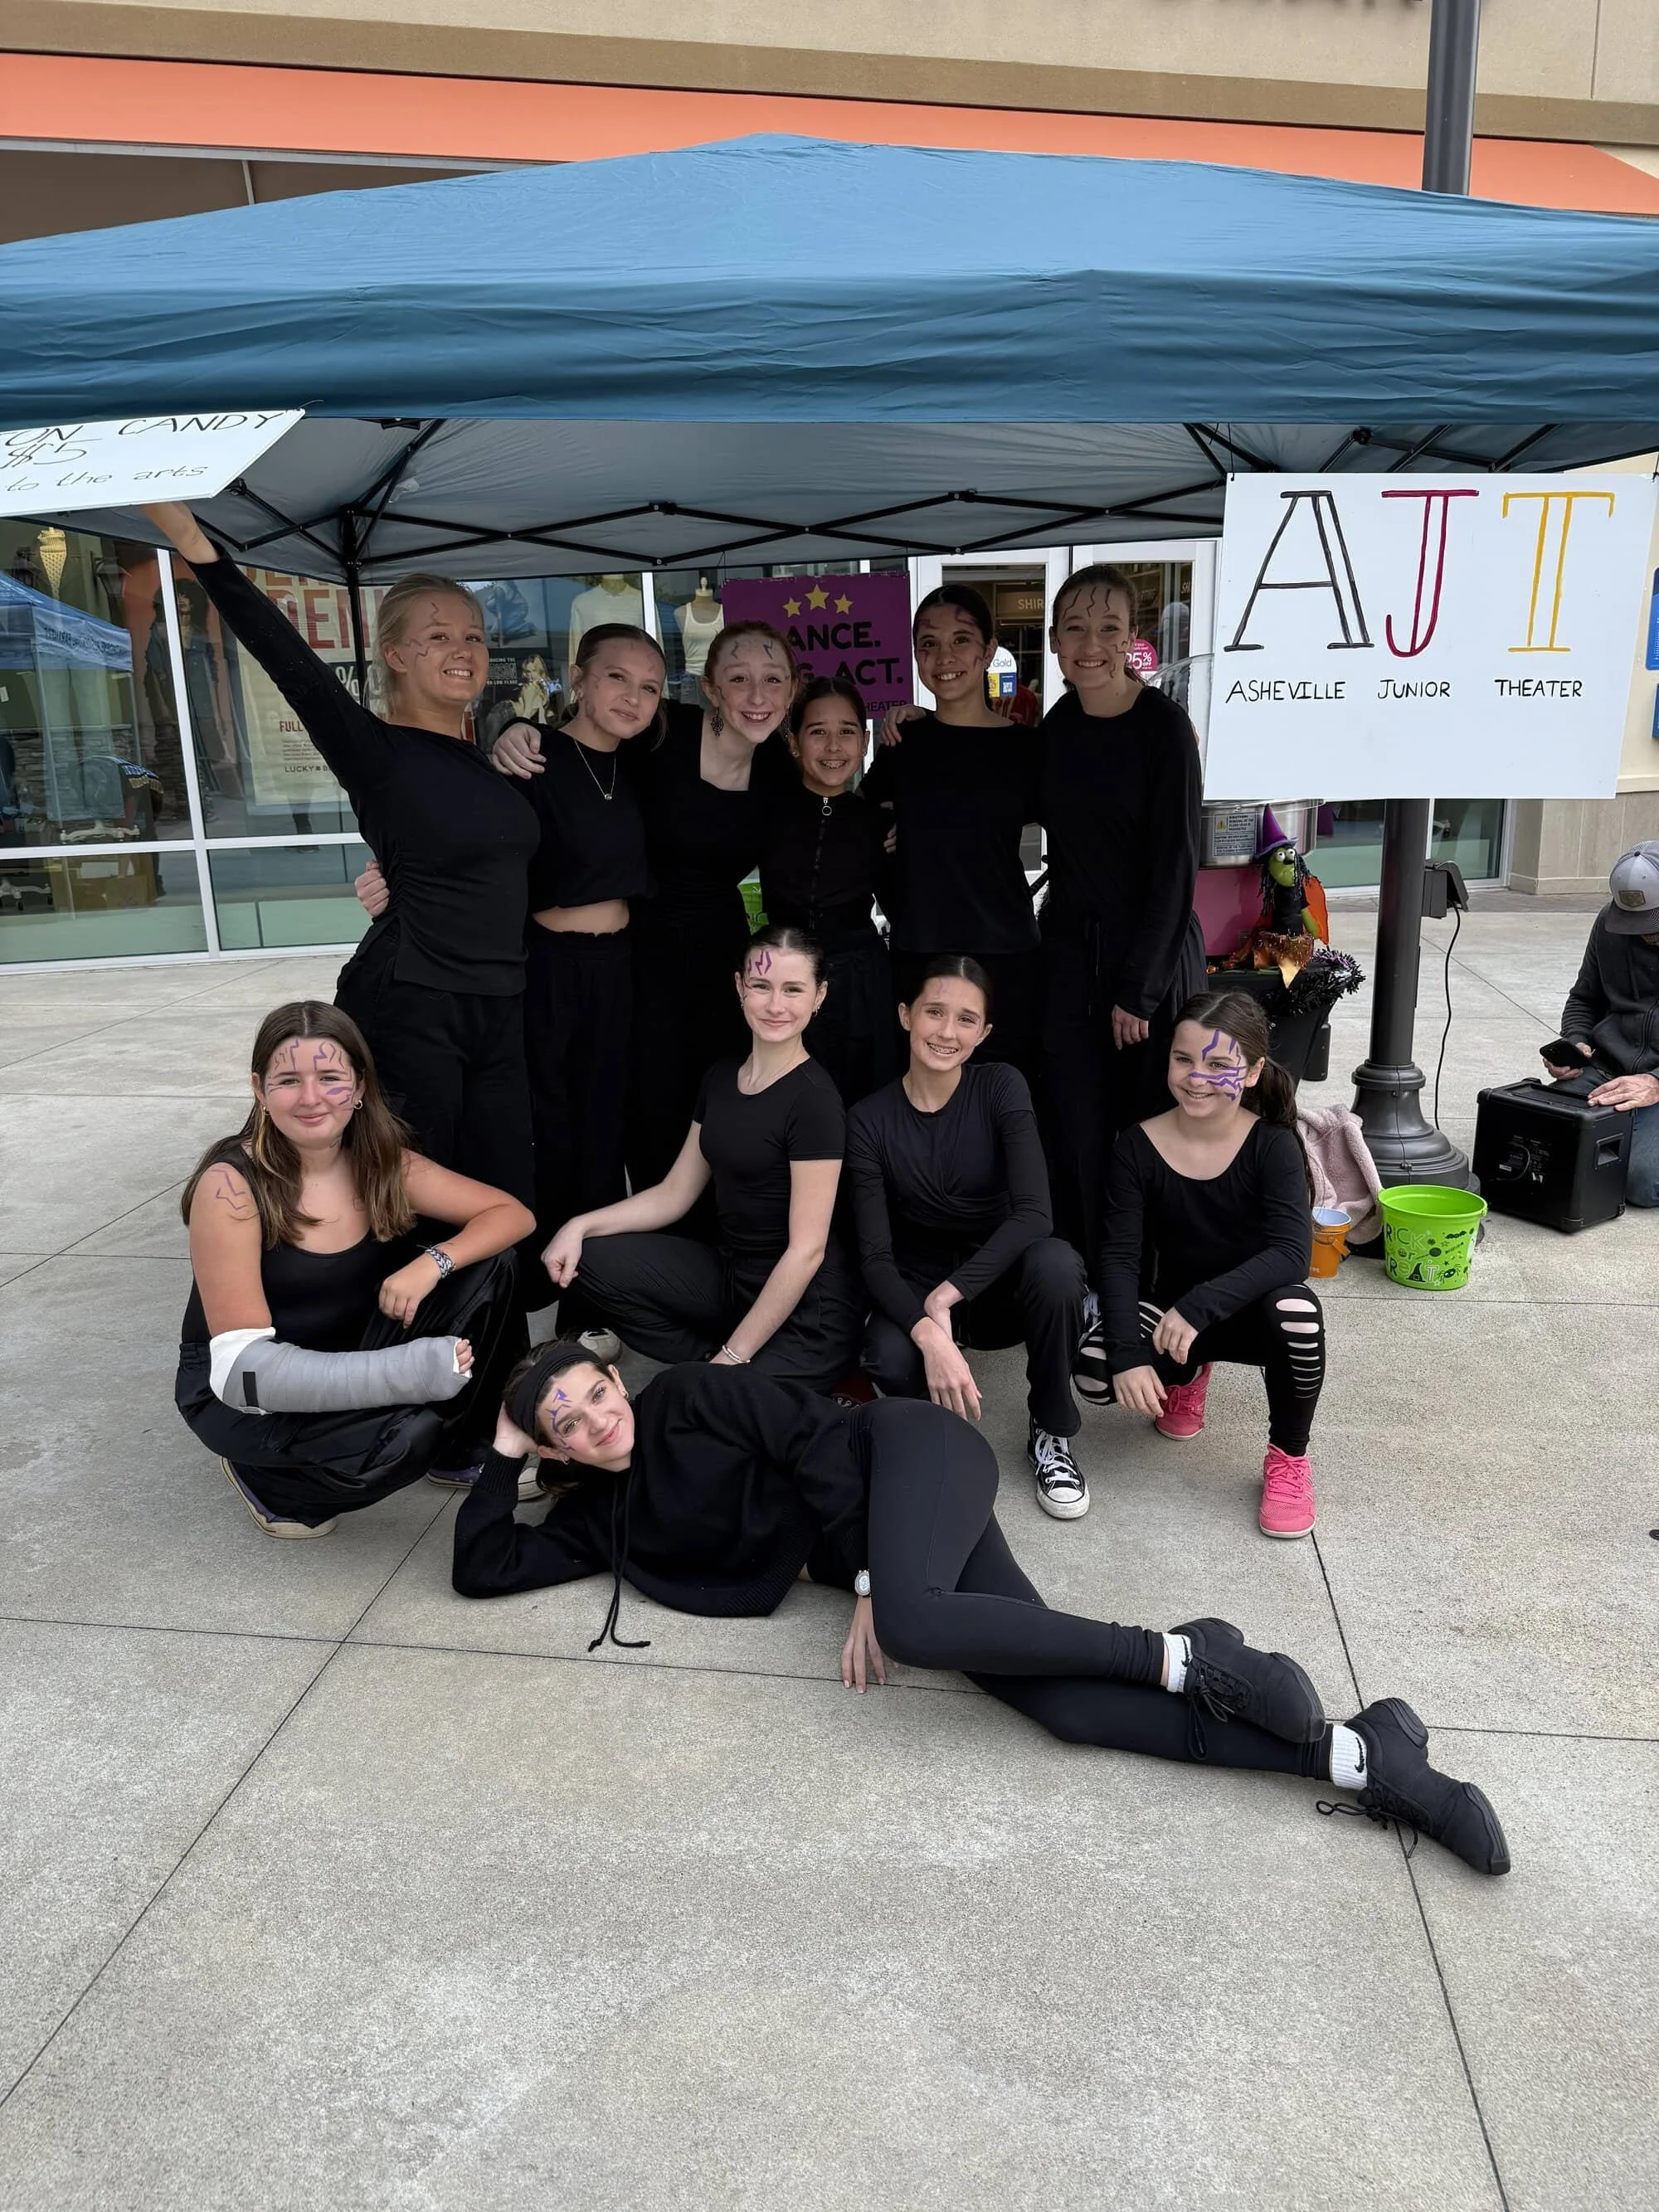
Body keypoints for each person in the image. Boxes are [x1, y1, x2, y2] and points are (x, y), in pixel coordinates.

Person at [449, 1344, 1511, 1879]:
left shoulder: (685, 1391)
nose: (596, 1417)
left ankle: (1185, 1654)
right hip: (905, 1550)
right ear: (551, 1447)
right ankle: (1359, 1758)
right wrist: (502, 1450)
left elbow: (819, 1438)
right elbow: (482, 1568)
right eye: (563, 1423)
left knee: (910, 1623)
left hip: (908, 1460)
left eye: (594, 1392)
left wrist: (867, 1578)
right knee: (1063, 1710)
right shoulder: (600, 1521)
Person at [142, 503, 538, 1219]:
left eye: (474, 635)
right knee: (411, 1197)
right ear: (395, 655)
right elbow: (281, 653)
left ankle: (493, 1336)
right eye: (438, 635)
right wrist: (192, 541)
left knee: (505, 1191)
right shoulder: (375, 750)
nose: (464, 647)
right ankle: (414, 1331)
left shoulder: (486, 759)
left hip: (499, 1003)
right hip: (413, 1000)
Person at [356, 624, 664, 1255]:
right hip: (546, 966)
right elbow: (464, 847)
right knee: (542, 1122)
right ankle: (530, 1264)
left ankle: (593, 1279)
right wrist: (389, 878)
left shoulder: (646, 763)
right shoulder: (528, 758)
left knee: (607, 1119)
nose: (633, 698)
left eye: (651, 688)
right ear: (577, 678)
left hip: (622, 967)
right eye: (615, 678)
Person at [175, 1002, 533, 1536]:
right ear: (259, 1090)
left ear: (360, 1086)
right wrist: (406, 1373)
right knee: (399, 1444)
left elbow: (512, 1216)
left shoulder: (385, 1163)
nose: (312, 1098)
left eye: (330, 1077)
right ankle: (266, 1480)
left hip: (351, 1344)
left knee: (491, 1263)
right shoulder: (231, 1188)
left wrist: (432, 1264)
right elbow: (243, 1368)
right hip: (247, 1393)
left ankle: (461, 1446)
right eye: (289, 1080)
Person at [494, 620, 795, 1189]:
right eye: (738, 678)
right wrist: (513, 728)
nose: (757, 696)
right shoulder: (661, 733)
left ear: (790, 690)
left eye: (773, 680)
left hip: (718, 948)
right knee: (641, 1100)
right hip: (642, 949)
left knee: (722, 1094)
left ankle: (716, 1242)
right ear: (710, 688)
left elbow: (834, 767)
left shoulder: (780, 765)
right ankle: (643, 1244)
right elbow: (581, 750)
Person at [542, 925, 864, 1392]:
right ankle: (713, 1364)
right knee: (591, 1260)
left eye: (793, 989)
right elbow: (674, 1194)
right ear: (739, 987)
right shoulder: (721, 1078)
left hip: (807, 1312)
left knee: (710, 1416)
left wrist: (735, 1356)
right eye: (761, 986)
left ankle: (735, 1366)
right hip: (731, 1281)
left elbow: (807, 1250)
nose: (776, 1005)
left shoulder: (814, 1101)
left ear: (819, 996)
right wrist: (579, 1225)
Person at [846, 957, 1090, 1520]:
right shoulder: (867, 1120)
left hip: (997, 1279)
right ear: (906, 1015)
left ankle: (1052, 1432)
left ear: (983, 1033)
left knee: (1057, 1269)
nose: (947, 1032)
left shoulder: (1000, 1085)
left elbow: (1034, 1215)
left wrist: (947, 1297)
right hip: (916, 1278)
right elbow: (876, 1258)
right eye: (934, 1012)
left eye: (965, 1019)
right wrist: (930, 1332)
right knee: (884, 1350)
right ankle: (932, 1442)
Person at [1079, 989, 1324, 1541]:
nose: (1196, 1076)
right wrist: (1124, 1353)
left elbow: (1292, 1254)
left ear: (1255, 1071)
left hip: (1240, 1312)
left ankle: (1289, 1458)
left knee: (1299, 1312)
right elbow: (1118, 1257)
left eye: (1219, 1064)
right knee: (1093, 1370)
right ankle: (1187, 1375)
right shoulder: (1137, 1147)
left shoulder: (1273, 1146)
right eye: (1183, 1059)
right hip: (1172, 1320)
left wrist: (1198, 1306)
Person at [1039, 563, 1206, 1316]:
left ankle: (1141, 1292)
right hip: (1071, 956)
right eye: (1075, 627)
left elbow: (1177, 866)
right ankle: (1083, 1286)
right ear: (1053, 642)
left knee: (1147, 1138)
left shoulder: (1163, 727)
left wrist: (1139, 989)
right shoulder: (1056, 728)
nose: (1091, 643)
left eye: (1108, 628)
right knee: (1076, 1128)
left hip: (1153, 960)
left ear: (1131, 640)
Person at [863, 586, 1044, 1079]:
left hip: (1006, 954)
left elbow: (1083, 834)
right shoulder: (904, 744)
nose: (944, 657)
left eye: (962, 640)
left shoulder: (1027, 751)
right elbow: (859, 824)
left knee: (1003, 1099)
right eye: (928, 643)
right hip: (920, 952)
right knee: (925, 1102)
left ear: (988, 650)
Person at [761, 676, 896, 1104]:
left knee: (861, 1109)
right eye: (818, 732)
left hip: (860, 986)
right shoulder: (766, 810)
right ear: (795, 742)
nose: (834, 746)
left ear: (865, 740)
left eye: (847, 732)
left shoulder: (878, 822)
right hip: (779, 977)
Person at [1544, 841, 1659, 1204]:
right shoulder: (1608, 924)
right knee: (1535, 1137)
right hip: (1606, 1070)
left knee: (1641, 1182)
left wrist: (1655, 1082)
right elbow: (1584, 997)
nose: (1645, 932)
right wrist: (1576, 1043)